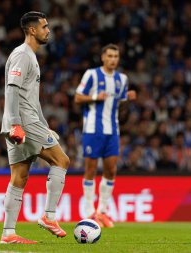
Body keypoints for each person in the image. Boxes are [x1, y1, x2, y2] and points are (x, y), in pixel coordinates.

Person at [0, 11, 70, 244]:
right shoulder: (23, 55)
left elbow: (32, 99)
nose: (48, 30)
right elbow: (11, 88)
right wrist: (15, 124)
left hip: (26, 120)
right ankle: (49, 216)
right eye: (44, 26)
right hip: (23, 121)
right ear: (32, 30)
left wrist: (45, 127)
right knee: (62, 161)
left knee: (19, 176)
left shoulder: (29, 56)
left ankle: (8, 233)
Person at [74, 44, 137, 227]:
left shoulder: (122, 79)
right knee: (90, 170)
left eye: (116, 56)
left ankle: (102, 211)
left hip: (113, 130)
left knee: (111, 170)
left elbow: (121, 106)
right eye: (109, 56)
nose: (113, 59)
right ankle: (89, 212)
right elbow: (78, 97)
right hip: (93, 129)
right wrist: (94, 97)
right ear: (103, 57)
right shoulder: (92, 74)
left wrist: (128, 98)